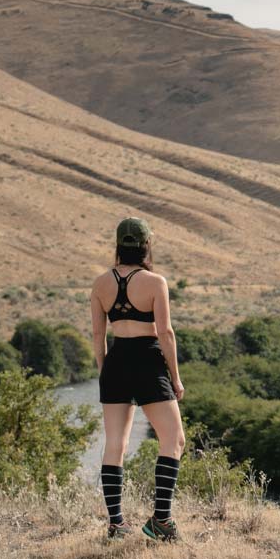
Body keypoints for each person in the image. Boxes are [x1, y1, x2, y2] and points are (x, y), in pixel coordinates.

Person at [89, 217, 185, 541]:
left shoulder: (100, 284)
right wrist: (176, 377)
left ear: (118, 245)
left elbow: (98, 336)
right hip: (148, 361)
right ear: (146, 245)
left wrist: (105, 372)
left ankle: (116, 524)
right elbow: (166, 334)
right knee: (173, 440)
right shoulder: (156, 282)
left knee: (115, 444)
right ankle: (161, 519)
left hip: (116, 361)